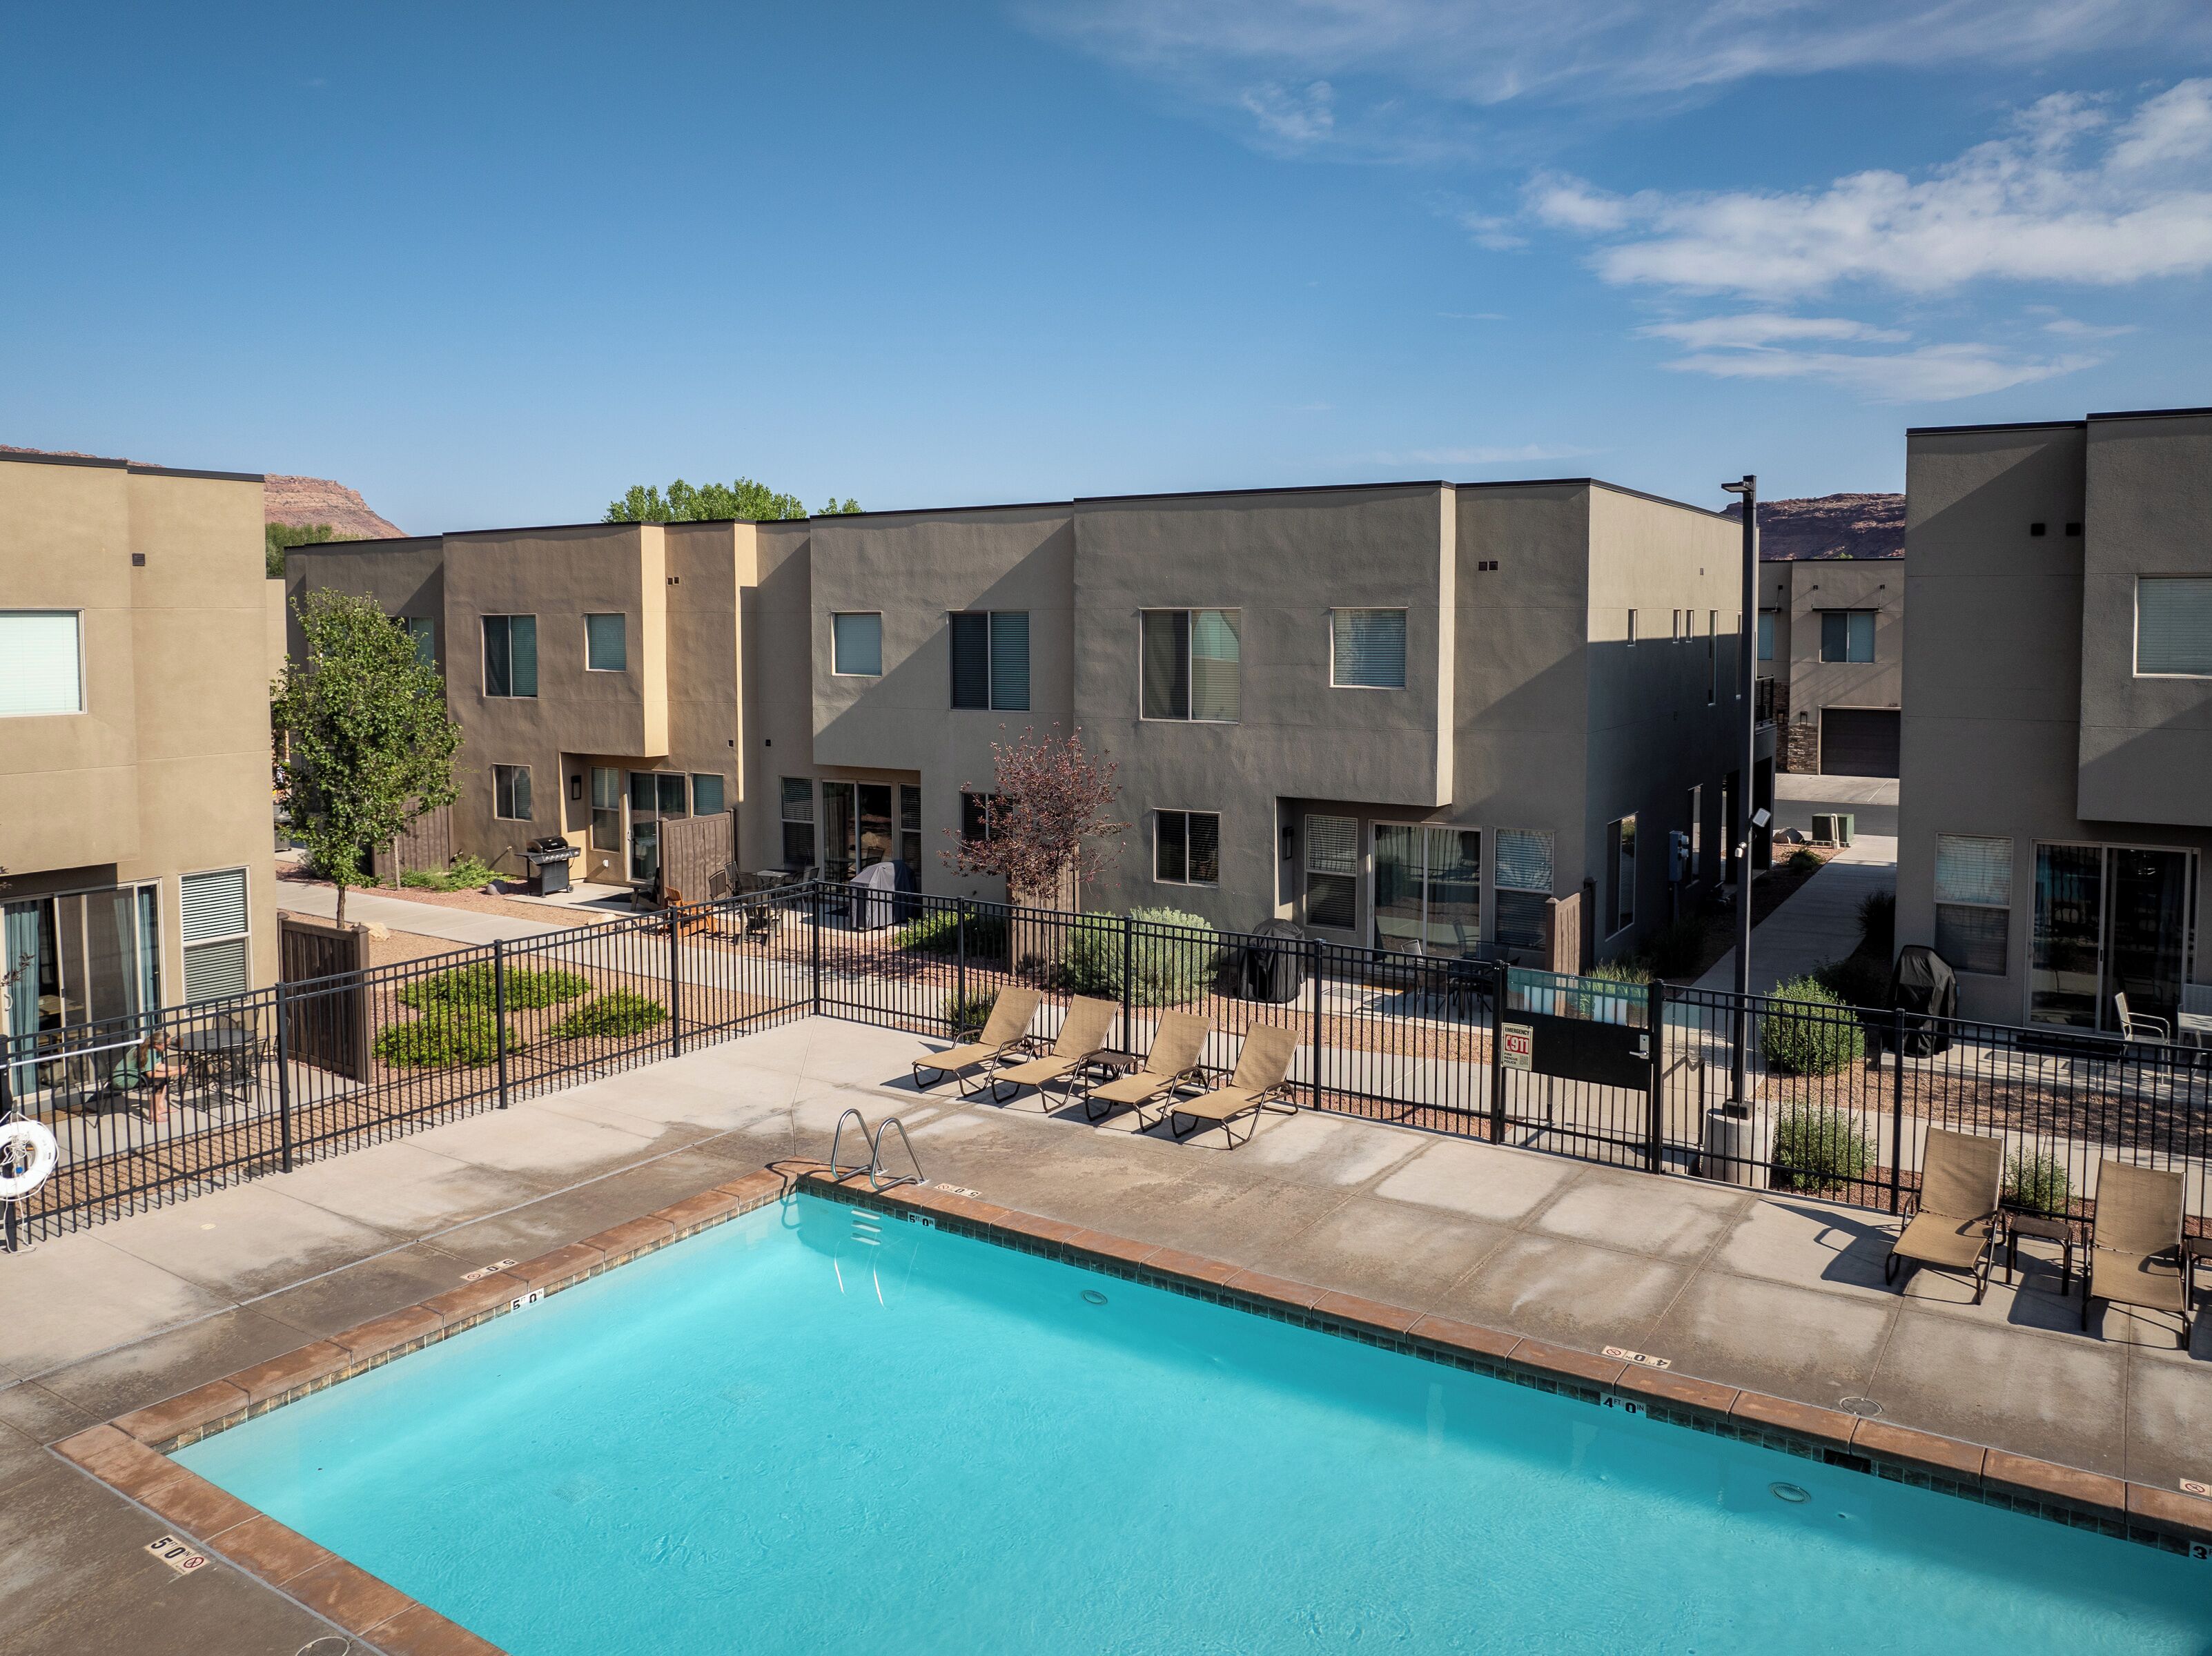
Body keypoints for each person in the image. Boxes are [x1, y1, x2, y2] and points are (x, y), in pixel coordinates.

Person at [115, 1028, 175, 1126]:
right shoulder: (149, 1052)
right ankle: (153, 1115)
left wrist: (176, 1068)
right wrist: (175, 1072)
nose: (169, 1045)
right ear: (157, 1044)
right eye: (167, 1043)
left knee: (165, 1079)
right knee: (159, 1082)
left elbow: (158, 1066)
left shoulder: (156, 1050)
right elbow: (151, 1075)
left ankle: (160, 1107)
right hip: (123, 1079)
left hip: (133, 1075)